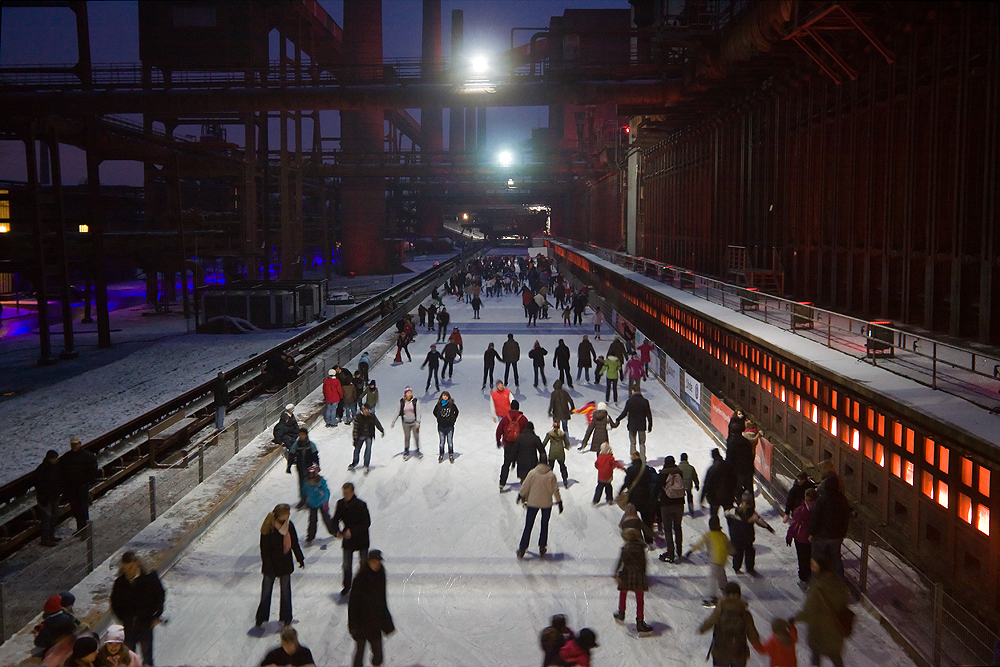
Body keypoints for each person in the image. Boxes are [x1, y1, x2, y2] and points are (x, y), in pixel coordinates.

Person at [110, 552, 166, 665]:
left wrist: (156, 615)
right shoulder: (120, 583)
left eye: (130, 568)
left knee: (147, 656)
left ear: (137, 563)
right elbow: (115, 602)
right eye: (125, 569)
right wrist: (123, 618)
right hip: (129, 625)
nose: (128, 571)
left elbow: (160, 596)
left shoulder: (150, 579)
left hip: (146, 623)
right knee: (128, 658)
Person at [795, 557, 852, 667]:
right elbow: (845, 603)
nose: (811, 567)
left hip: (819, 631)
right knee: (836, 657)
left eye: (814, 566)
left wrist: (795, 618)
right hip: (835, 631)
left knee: (815, 657)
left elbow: (809, 612)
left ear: (820, 568)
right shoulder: (839, 584)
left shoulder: (817, 587)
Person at [348, 550, 395, 667]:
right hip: (361, 622)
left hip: (375, 621)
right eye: (374, 562)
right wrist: (352, 625)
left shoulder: (381, 575)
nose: (376, 565)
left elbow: (382, 599)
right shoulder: (360, 578)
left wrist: (386, 619)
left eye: (378, 562)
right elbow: (353, 603)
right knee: (359, 654)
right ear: (368, 561)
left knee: (378, 655)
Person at [698, 581, 760, 667]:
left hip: (720, 652)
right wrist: (757, 643)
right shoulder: (745, 613)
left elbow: (711, 621)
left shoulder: (720, 610)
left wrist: (702, 629)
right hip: (739, 653)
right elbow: (752, 633)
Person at [517, 461, 563, 559]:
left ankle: (522, 548)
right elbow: (556, 490)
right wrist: (559, 502)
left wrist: (521, 495)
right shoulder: (551, 475)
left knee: (528, 525)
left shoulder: (532, 473)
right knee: (544, 525)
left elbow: (525, 485)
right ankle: (542, 547)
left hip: (532, 503)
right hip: (546, 504)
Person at [685, 515, 734, 607]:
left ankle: (713, 597)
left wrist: (690, 551)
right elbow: (729, 546)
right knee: (721, 575)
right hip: (723, 559)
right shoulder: (723, 535)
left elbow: (699, 544)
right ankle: (726, 592)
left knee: (713, 578)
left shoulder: (708, 535)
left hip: (715, 559)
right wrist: (734, 552)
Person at [808, 475, 852, 577]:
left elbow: (816, 516)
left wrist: (811, 532)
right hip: (836, 536)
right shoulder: (843, 499)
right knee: (836, 558)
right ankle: (839, 580)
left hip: (821, 535)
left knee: (817, 558)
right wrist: (842, 533)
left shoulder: (822, 499)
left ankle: (817, 580)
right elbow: (845, 518)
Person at [332, 483, 371, 597]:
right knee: (346, 564)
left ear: (353, 492)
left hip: (361, 538)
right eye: (344, 493)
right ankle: (347, 585)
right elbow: (335, 520)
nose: (345, 495)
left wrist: (352, 531)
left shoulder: (361, 505)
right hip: (348, 539)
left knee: (363, 564)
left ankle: (364, 586)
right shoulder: (340, 504)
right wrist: (337, 531)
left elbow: (366, 523)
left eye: (347, 493)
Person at [725, 490, 775, 576]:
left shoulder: (735, 511)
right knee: (749, 551)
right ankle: (749, 568)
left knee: (738, 552)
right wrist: (769, 528)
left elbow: (726, 513)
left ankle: (736, 568)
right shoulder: (752, 514)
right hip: (747, 537)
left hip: (736, 537)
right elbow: (760, 522)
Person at [613, 527, 653, 633]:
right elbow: (644, 563)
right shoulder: (640, 548)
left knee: (623, 592)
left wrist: (616, 573)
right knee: (640, 599)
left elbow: (620, 562)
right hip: (638, 574)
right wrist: (644, 574)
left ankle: (621, 612)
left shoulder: (625, 548)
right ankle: (640, 622)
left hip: (627, 573)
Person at [60, 436, 98, 532]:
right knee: (75, 508)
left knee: (82, 506)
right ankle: (81, 527)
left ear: (79, 444)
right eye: (72, 444)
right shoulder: (66, 458)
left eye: (75, 444)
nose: (74, 446)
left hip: (82, 485)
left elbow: (93, 470)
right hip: (71, 487)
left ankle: (84, 527)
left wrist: (87, 480)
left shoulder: (87, 456)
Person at [656, 456, 686, 564]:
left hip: (666, 504)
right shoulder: (680, 472)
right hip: (679, 503)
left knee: (668, 529)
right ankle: (679, 549)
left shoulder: (663, 474)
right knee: (678, 527)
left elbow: (657, 489)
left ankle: (671, 553)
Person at [787, 488, 819, 588]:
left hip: (801, 539)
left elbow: (795, 525)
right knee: (812, 559)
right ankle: (813, 578)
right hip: (814, 539)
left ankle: (804, 580)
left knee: (802, 559)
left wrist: (789, 536)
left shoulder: (800, 510)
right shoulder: (818, 509)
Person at [620, 452, 655, 535]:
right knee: (646, 519)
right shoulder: (646, 469)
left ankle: (636, 536)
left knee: (631, 517)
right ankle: (649, 539)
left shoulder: (630, 470)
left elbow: (627, 482)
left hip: (633, 497)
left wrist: (620, 492)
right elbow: (650, 480)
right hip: (645, 496)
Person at [614, 386, 652, 462]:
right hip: (642, 426)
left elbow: (625, 412)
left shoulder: (630, 401)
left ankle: (634, 459)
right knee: (642, 443)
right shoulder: (645, 401)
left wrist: (618, 419)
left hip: (632, 425)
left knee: (633, 443)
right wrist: (650, 425)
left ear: (633, 391)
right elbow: (649, 414)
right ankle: (643, 459)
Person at [497, 399, 528, 490]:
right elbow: (527, 431)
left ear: (511, 407)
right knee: (521, 463)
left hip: (508, 444)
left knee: (506, 464)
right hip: (519, 446)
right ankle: (523, 480)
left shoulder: (506, 418)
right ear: (518, 408)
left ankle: (502, 483)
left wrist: (498, 440)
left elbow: (499, 429)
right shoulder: (523, 419)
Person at [35, 449, 63, 547]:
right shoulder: (42, 470)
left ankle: (51, 535)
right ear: (49, 459)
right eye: (54, 458)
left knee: (54, 515)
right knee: (46, 518)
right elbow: (39, 485)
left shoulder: (55, 467)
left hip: (54, 496)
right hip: (45, 498)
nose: (56, 460)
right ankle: (45, 538)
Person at [302, 465, 334, 544]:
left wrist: (325, 501)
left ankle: (334, 530)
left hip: (321, 502)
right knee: (312, 520)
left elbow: (326, 491)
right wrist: (304, 498)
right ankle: (311, 536)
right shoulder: (306, 482)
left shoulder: (320, 481)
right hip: (312, 503)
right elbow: (303, 491)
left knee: (326, 518)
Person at [701, 448, 738, 517]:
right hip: (728, 496)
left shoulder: (712, 469)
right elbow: (735, 480)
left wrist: (702, 498)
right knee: (730, 515)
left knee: (714, 516)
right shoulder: (728, 466)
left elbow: (706, 484)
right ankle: (732, 526)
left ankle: (715, 527)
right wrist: (735, 493)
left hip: (714, 497)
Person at [289, 429, 319, 507]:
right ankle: (303, 499)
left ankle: (310, 499)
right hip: (300, 467)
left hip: (309, 467)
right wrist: (288, 466)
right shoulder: (296, 445)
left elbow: (315, 456)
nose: (301, 436)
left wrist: (317, 465)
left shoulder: (310, 445)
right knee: (302, 483)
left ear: (306, 435)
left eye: (302, 435)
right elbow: (291, 454)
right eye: (299, 435)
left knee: (309, 483)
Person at [349, 405, 383, 474]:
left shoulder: (372, 416)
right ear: (362, 410)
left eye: (367, 409)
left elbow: (377, 423)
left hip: (369, 435)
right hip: (360, 436)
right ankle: (354, 462)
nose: (366, 411)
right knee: (357, 450)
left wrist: (381, 430)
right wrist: (355, 439)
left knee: (368, 450)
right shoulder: (358, 417)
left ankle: (366, 465)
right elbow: (355, 429)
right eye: (364, 409)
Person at [726, 420, 756, 496]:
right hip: (748, 471)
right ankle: (750, 506)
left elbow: (730, 458)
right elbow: (750, 456)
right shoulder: (746, 442)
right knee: (749, 490)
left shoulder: (731, 443)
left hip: (737, 472)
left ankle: (740, 505)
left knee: (737, 489)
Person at [390, 387, 420, 460]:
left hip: (414, 422)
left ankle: (417, 449)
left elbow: (418, 412)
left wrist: (418, 422)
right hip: (405, 422)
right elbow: (397, 411)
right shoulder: (402, 402)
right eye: (408, 393)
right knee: (407, 436)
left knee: (416, 436)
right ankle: (406, 450)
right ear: (405, 394)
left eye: (410, 393)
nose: (409, 394)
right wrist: (393, 422)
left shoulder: (415, 401)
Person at [432, 391, 459, 463]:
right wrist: (439, 418)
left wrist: (453, 420)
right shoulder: (439, 405)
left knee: (450, 441)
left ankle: (450, 454)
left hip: (449, 426)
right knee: (442, 442)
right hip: (441, 426)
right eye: (444, 396)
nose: (445, 397)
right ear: (441, 397)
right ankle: (441, 454)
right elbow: (434, 412)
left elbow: (456, 412)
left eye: (446, 396)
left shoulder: (451, 405)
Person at [542, 421, 571, 489]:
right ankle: (565, 480)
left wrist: (542, 450)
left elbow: (544, 443)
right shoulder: (562, 434)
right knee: (562, 466)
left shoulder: (549, 434)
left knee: (550, 467)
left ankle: (548, 481)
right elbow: (567, 443)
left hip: (552, 452)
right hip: (560, 452)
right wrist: (566, 447)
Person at [678, 452, 701, 517]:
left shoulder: (678, 467)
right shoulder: (691, 468)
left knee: (681, 497)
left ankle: (681, 511)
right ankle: (691, 510)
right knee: (689, 496)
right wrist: (697, 484)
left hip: (680, 486)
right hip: (688, 485)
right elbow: (695, 477)